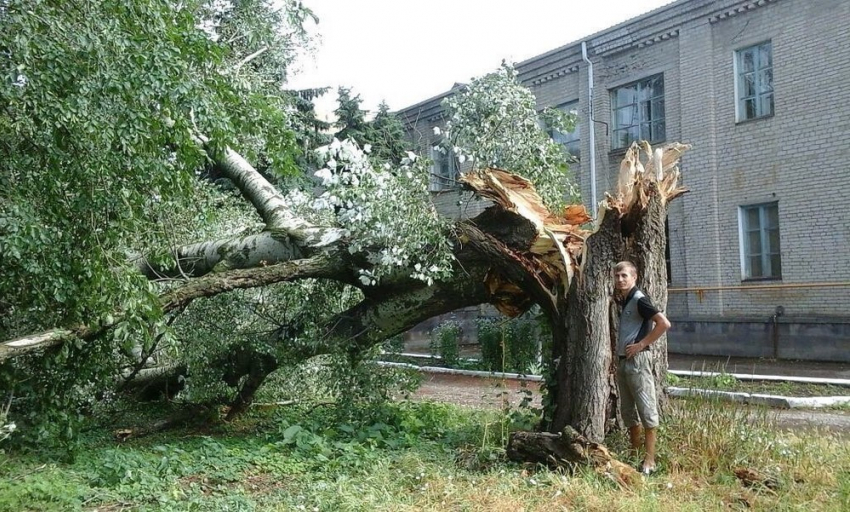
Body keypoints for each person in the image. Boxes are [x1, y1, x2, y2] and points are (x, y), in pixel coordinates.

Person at [613, 261, 671, 475]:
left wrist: (641, 344)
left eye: (624, 275)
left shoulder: (639, 299)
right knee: (628, 411)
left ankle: (650, 460)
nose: (620, 279)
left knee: (646, 409)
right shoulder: (625, 300)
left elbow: (664, 323)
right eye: (617, 275)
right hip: (624, 362)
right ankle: (634, 453)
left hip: (638, 362)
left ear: (634, 277)